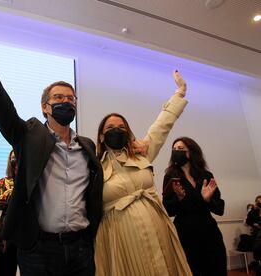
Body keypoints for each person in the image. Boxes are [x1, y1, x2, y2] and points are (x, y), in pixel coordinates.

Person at [0, 4, 104, 276]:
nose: (65, 102)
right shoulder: (28, 136)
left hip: (81, 248)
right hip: (39, 249)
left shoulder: (88, 147)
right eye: (58, 98)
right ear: (45, 107)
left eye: (71, 99)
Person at [94, 71, 192, 276]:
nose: (117, 130)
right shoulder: (94, 166)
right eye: (110, 127)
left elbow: (161, 126)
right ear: (102, 136)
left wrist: (179, 94)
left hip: (158, 230)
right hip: (120, 239)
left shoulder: (141, 155)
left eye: (122, 127)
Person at [162, 136, 226, 276]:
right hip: (185, 233)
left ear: (190, 152)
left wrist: (207, 200)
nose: (176, 151)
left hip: (209, 232)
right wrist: (179, 198)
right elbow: (168, 210)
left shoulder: (206, 175)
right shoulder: (171, 176)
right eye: (174, 149)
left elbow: (220, 209)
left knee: (216, 268)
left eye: (180, 149)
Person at [0, 150, 18, 276]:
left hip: (26, 235)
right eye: (12, 158)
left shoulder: (31, 181)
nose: (14, 161)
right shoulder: (4, 181)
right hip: (6, 236)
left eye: (17, 157)